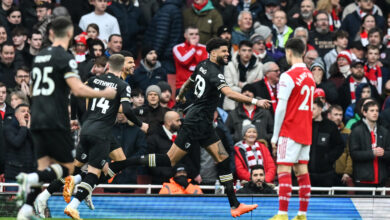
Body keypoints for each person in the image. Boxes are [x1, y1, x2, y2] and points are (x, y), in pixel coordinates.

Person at [127, 38, 272, 217]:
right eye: (224, 51)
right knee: (169, 160)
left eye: (228, 51)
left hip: (204, 125)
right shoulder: (215, 72)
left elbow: (190, 80)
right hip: (196, 123)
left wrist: (180, 95)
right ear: (213, 52)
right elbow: (228, 93)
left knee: (223, 159)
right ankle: (125, 163)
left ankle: (235, 205)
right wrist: (255, 101)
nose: (228, 54)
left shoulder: (202, 65)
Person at [15, 17, 117, 220]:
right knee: (67, 168)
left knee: (45, 166)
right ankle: (30, 179)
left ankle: (26, 210)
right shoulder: (65, 57)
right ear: (70, 35)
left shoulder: (40, 55)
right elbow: (78, 89)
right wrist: (104, 94)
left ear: (51, 33)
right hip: (54, 119)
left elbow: (35, 90)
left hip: (38, 117)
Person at [64, 54, 148, 219]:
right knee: (94, 173)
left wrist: (73, 118)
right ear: (122, 66)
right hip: (101, 132)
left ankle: (84, 186)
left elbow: (74, 93)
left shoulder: (95, 79)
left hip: (86, 128)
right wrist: (141, 124)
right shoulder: (123, 85)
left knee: (118, 162)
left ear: (108, 65)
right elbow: (128, 110)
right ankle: (74, 202)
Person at [270, 38, 315, 220]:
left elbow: (281, 107)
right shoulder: (310, 76)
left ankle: (282, 214)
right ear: (303, 52)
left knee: (284, 169)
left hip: (290, 129)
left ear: (288, 52)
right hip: (306, 130)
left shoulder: (288, 76)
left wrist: (275, 136)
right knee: (302, 171)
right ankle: (302, 214)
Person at [350, 101, 390, 187]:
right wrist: (372, 153)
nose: (375, 113)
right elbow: (354, 154)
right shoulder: (356, 131)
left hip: (381, 179)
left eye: (377, 111)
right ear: (364, 112)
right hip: (362, 179)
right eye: (372, 111)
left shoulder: (384, 131)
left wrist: (384, 153)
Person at [309, 99, 344, 188]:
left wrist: (328, 158)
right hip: (307, 173)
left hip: (326, 174)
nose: (310, 111)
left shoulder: (330, 126)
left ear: (320, 109)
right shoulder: (305, 125)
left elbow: (339, 146)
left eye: (313, 109)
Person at [3, 103, 35, 192]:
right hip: (14, 175)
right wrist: (23, 127)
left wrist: (28, 128)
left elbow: (36, 145)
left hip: (29, 174)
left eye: (28, 111)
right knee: (13, 204)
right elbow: (16, 143)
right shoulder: (9, 128)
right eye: (23, 111)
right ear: (16, 114)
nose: (26, 113)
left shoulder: (30, 129)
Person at [224, 40, 263, 111]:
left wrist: (241, 85)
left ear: (252, 52)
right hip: (231, 106)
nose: (247, 53)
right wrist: (248, 89)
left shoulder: (259, 66)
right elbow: (229, 88)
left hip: (252, 107)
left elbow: (257, 88)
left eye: (249, 50)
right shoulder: (229, 66)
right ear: (239, 52)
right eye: (244, 50)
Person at [173, 26, 208, 92]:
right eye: (191, 34)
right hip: (182, 86)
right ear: (185, 35)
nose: (194, 36)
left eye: (196, 34)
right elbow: (184, 61)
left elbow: (204, 66)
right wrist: (193, 47)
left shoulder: (205, 48)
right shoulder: (178, 48)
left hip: (199, 86)